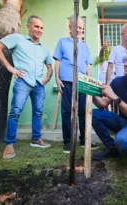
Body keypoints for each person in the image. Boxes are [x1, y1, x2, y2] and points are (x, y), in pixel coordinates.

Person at [0, 15, 53, 159]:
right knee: (15, 112)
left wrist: (47, 78)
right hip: (23, 82)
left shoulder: (44, 49)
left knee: (38, 113)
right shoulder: (18, 39)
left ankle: (36, 139)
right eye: (36, 26)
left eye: (41, 27)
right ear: (28, 27)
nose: (39, 30)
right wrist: (10, 68)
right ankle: (9, 144)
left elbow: (50, 67)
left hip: (38, 84)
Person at [53, 15, 98, 154]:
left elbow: (88, 65)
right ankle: (68, 141)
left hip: (83, 83)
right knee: (67, 111)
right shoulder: (62, 42)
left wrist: (89, 81)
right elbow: (58, 61)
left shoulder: (85, 46)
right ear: (70, 28)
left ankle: (84, 140)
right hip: (66, 81)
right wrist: (57, 78)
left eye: (81, 28)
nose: (79, 30)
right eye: (76, 27)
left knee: (84, 111)